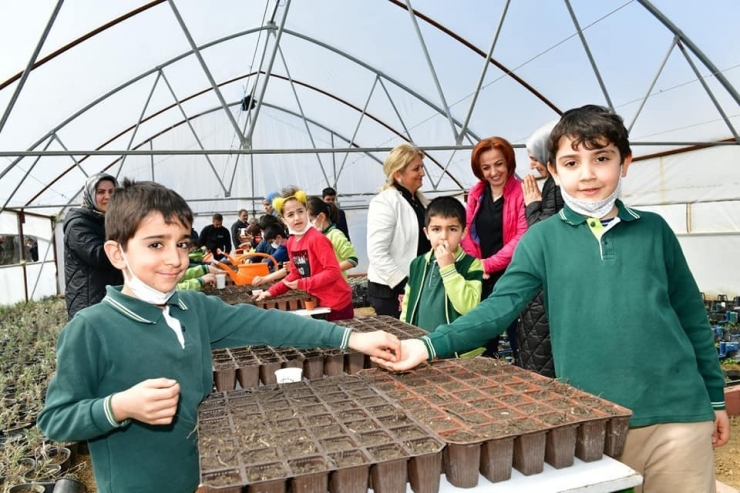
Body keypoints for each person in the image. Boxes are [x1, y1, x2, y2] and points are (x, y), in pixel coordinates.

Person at [373, 105, 730, 493]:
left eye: (602, 158)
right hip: (595, 420)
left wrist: (713, 398)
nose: (588, 173)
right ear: (554, 171)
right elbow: (498, 308)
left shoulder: (654, 230)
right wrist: (428, 345)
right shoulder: (542, 239)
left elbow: (691, 317)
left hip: (677, 413)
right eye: (572, 162)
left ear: (624, 163)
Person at [38, 179, 400, 493]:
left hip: (200, 473)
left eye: (181, 243)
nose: (175, 258)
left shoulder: (191, 308)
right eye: (155, 245)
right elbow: (56, 418)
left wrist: (351, 339)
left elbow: (269, 325)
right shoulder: (92, 328)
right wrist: (119, 406)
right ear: (117, 253)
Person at [461, 136, 527, 358]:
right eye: (486, 167)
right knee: (484, 337)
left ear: (508, 161)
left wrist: (488, 264)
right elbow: (467, 231)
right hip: (484, 279)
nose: (494, 172)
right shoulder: (477, 193)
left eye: (499, 164)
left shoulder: (521, 191)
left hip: (512, 276)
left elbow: (521, 235)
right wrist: (476, 264)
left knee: (518, 336)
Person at [255, 187, 354, 321]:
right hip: (318, 303)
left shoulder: (316, 238)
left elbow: (333, 271)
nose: (297, 218)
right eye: (290, 215)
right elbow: (295, 273)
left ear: (307, 213)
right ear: (284, 220)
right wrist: (270, 292)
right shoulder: (291, 242)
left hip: (337, 303)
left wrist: (303, 283)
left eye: (300, 211)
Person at [399, 196, 483, 341]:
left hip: (455, 349)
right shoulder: (418, 264)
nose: (444, 236)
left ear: (463, 233)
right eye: (436, 229)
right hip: (420, 344)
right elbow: (407, 304)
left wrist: (449, 268)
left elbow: (469, 307)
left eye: (452, 229)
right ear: (426, 233)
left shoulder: (471, 265)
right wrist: (404, 333)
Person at [517, 121, 564, 378]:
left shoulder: (555, 190)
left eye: (535, 158)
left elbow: (542, 237)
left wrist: (532, 206)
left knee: (542, 361)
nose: (532, 165)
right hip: (542, 292)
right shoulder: (551, 186)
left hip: (545, 291)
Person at [366, 143, 430, 318]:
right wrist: (404, 283)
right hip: (391, 291)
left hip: (416, 285)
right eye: (416, 169)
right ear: (398, 174)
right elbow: (377, 253)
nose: (422, 173)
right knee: (400, 339)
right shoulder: (384, 203)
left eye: (422, 167)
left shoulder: (419, 202)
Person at [63, 173, 123, 320]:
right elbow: (100, 256)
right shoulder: (78, 224)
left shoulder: (109, 220)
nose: (107, 196)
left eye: (112, 192)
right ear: (90, 194)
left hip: (109, 295)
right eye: (100, 192)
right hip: (89, 301)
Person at [307, 195, 358, 278]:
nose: (308, 225)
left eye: (310, 221)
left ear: (322, 217)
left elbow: (352, 260)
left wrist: (329, 271)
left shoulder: (335, 235)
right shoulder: (315, 237)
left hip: (338, 288)